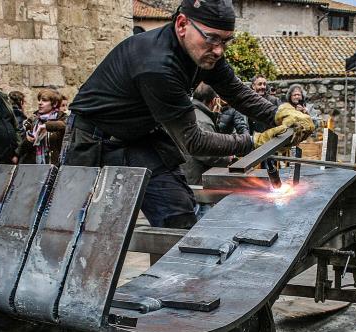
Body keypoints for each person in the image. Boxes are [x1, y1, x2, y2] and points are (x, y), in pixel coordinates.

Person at [63, 0, 314, 229]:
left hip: (140, 136)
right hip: (94, 140)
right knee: (85, 231)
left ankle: (180, 277)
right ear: (182, 24)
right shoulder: (157, 65)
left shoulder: (202, 52)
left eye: (226, 41)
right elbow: (193, 141)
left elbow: (236, 91)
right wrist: (256, 142)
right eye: (212, 39)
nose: (219, 50)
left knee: (178, 217)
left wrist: (279, 113)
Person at [180, 82, 233, 185]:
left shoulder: (191, 113)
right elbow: (207, 152)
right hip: (197, 178)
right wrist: (228, 157)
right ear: (214, 101)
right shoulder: (202, 121)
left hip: (188, 175)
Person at [17, 89, 67, 166]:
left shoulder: (62, 118)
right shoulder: (32, 120)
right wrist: (28, 140)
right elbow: (21, 150)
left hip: (54, 167)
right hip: (34, 168)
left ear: (54, 104)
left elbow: (65, 125)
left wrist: (47, 126)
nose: (40, 103)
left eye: (44, 100)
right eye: (39, 100)